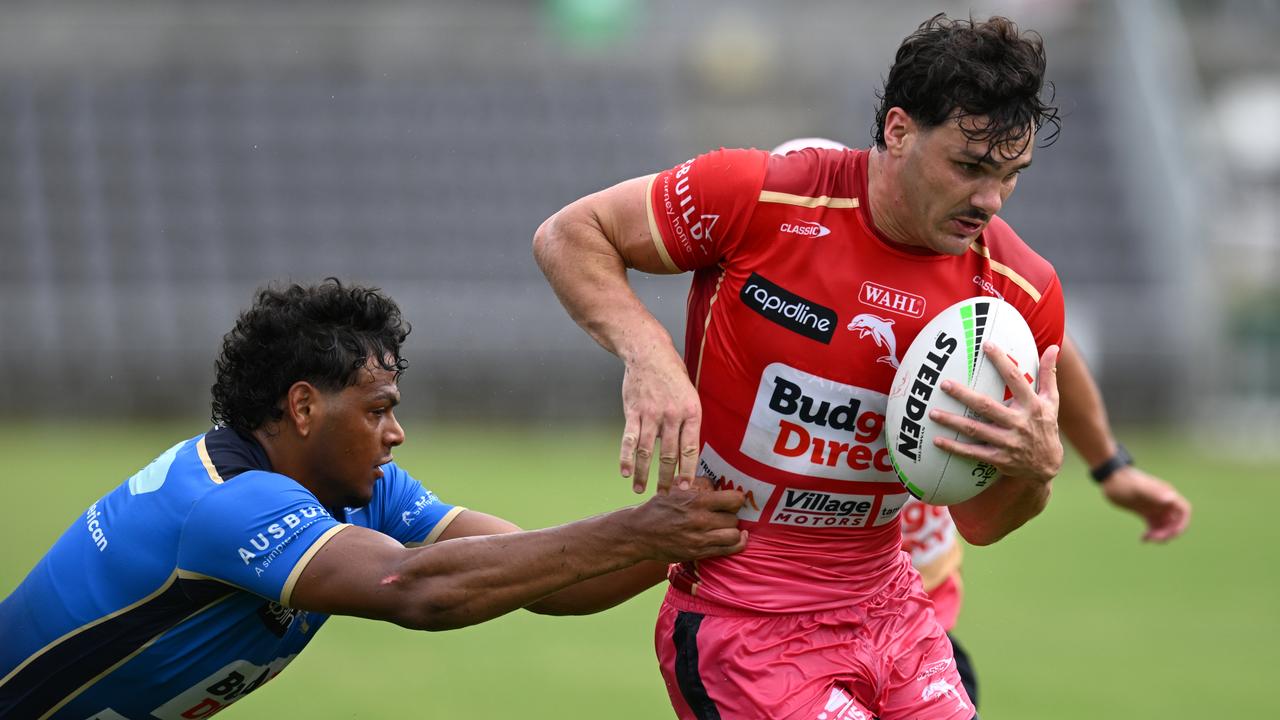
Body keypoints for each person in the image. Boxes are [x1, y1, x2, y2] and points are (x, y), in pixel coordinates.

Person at [536, 13, 1088, 719]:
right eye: (970, 167)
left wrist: (1034, 469)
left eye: (1011, 176)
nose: (990, 199)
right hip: (746, 624)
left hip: (895, 618)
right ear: (897, 130)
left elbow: (980, 521)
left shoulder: (1020, 293)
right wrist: (650, 356)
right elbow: (571, 234)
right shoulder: (761, 198)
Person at [0, 279, 750, 719]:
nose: (396, 433)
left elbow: (550, 578)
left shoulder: (362, 492)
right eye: (377, 408)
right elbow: (419, 589)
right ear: (302, 408)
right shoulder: (225, 503)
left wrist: (715, 524)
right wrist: (646, 527)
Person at [772, 137, 1193, 708]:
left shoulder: (937, 288)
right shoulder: (758, 327)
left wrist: (1110, 466)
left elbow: (1051, 352)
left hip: (909, 629)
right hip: (780, 627)